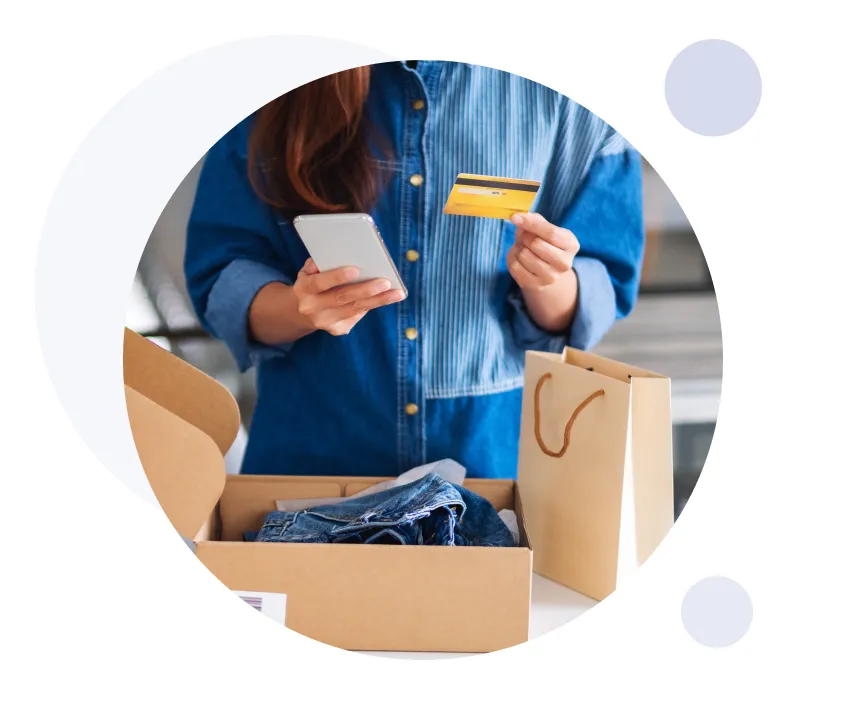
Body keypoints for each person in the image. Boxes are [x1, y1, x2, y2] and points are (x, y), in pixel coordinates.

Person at [185, 61, 644, 480]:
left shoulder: (575, 96)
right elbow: (223, 275)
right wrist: (300, 307)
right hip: (309, 465)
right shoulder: (271, 84)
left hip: (491, 469)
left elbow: (601, 287)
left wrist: (549, 279)